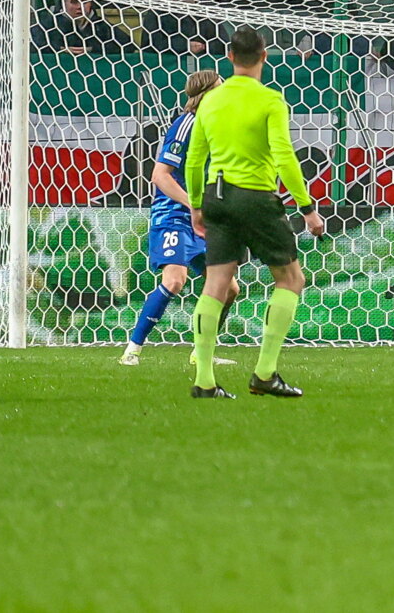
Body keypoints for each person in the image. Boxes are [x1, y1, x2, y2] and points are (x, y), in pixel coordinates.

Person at [183, 27, 324, 399]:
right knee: (291, 279)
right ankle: (264, 373)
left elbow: (195, 159)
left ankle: (204, 381)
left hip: (216, 196)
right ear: (264, 56)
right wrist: (307, 208)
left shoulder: (210, 101)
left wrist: (197, 204)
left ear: (229, 58)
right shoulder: (270, 101)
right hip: (255, 196)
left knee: (215, 285)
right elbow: (284, 155)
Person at [120, 70, 242, 366]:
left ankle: (201, 353)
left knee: (229, 288)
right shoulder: (186, 125)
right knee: (175, 280)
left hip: (205, 218)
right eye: (221, 86)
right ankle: (132, 351)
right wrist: (192, 204)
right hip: (174, 214)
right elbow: (160, 175)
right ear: (207, 93)